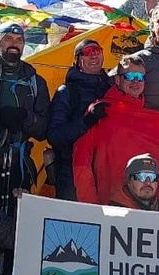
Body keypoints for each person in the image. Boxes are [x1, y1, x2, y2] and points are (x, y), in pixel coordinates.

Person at [0, 23, 49, 213]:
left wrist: (25, 118)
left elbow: (43, 129)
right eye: (8, 38)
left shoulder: (35, 80)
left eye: (19, 40)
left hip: (18, 163)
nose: (14, 44)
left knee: (15, 220)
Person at [72, 54, 151, 204]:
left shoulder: (147, 115)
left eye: (140, 77)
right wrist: (89, 203)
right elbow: (81, 161)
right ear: (117, 79)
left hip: (140, 203)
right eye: (130, 76)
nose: (136, 81)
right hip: (108, 202)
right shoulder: (101, 110)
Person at [46, 38, 111, 200]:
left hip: (107, 169)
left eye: (97, 51)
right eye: (88, 52)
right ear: (78, 60)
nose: (94, 56)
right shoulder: (66, 92)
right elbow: (55, 136)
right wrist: (86, 121)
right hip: (72, 169)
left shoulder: (112, 88)